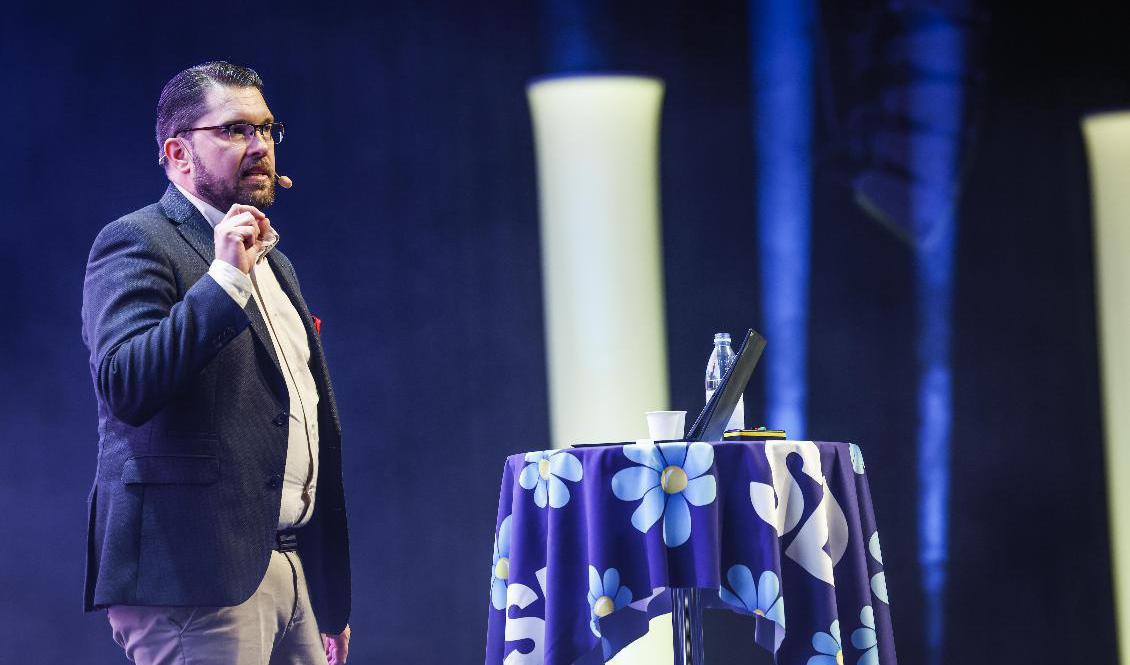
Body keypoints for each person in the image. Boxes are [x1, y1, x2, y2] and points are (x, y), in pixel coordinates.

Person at [81, 61, 351, 665]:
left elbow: (302, 420)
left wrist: (329, 594)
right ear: (178, 153)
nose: (259, 146)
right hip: (193, 576)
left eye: (267, 129)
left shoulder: (276, 263)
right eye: (234, 130)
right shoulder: (138, 240)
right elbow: (126, 383)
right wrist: (224, 276)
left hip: (289, 566)